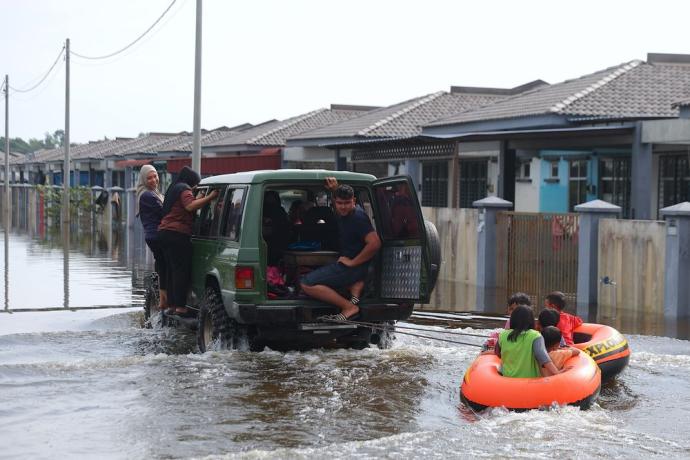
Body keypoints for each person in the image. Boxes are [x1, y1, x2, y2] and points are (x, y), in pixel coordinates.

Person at [300, 177, 381, 321]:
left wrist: (353, 263)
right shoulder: (344, 214)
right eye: (339, 203)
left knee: (306, 283)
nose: (343, 207)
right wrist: (334, 189)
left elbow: (374, 243)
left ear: (354, 201)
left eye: (347, 203)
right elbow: (339, 201)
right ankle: (354, 287)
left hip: (352, 267)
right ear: (334, 202)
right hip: (350, 265)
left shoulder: (358, 217)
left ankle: (349, 306)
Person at [158, 166, 218, 316]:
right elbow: (190, 206)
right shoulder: (184, 189)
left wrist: (200, 196)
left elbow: (186, 205)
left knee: (172, 270)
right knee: (181, 270)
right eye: (195, 185)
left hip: (164, 233)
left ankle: (172, 305)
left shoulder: (174, 188)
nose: (194, 188)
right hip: (177, 234)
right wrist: (211, 197)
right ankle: (180, 307)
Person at [494, 305, 561, 378]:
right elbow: (543, 358)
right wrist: (557, 374)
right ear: (531, 320)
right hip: (529, 382)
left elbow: (497, 353)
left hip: (507, 380)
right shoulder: (535, 336)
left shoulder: (503, 335)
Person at [136, 165, 167, 311]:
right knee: (165, 264)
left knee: (161, 263)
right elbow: (163, 211)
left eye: (155, 176)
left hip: (155, 235)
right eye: (149, 178)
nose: (154, 180)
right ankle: (165, 299)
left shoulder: (153, 193)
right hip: (157, 235)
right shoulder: (147, 195)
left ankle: (163, 300)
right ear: (143, 179)